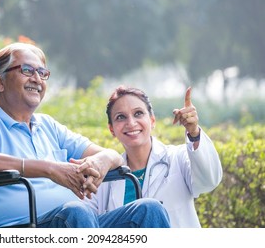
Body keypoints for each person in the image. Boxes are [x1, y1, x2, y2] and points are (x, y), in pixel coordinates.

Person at [0, 42, 171, 228]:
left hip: (75, 224)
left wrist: (100, 162)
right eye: (27, 70)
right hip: (20, 231)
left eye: (42, 73)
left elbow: (112, 155)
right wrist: (49, 169)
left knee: (149, 210)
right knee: (77, 212)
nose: (37, 79)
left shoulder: (48, 126)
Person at [83, 85, 223, 228]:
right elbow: (87, 224)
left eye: (138, 113)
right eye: (121, 117)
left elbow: (209, 181)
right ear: (112, 129)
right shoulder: (105, 176)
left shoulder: (177, 158)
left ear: (152, 120)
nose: (131, 123)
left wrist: (193, 132)